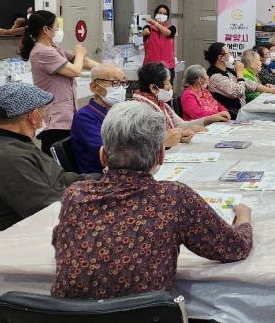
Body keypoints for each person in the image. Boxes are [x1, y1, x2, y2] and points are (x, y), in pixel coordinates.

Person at [51, 102, 253, 299]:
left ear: (103, 156)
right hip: (145, 314)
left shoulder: (75, 195)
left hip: (70, 313)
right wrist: (244, 219)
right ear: (161, 156)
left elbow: (60, 241)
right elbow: (234, 248)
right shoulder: (173, 196)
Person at [0, 83, 94, 231]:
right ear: (33, 116)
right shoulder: (8, 159)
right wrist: (94, 202)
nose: (46, 114)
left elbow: (59, 178)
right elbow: (46, 209)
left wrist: (102, 180)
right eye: (43, 110)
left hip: (55, 214)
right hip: (28, 234)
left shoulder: (17, 144)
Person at [20, 9, 99, 154]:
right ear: (46, 30)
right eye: (56, 27)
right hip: (55, 120)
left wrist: (104, 69)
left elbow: (78, 61)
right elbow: (75, 70)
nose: (58, 31)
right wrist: (80, 52)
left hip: (66, 116)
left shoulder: (54, 49)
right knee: (56, 157)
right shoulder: (42, 52)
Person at [132, 63, 225, 146]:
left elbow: (179, 124)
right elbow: (151, 141)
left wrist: (208, 120)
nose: (170, 86)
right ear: (153, 88)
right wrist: (180, 134)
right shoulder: (140, 109)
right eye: (167, 83)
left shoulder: (161, 104)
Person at [70, 64, 130, 174]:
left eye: (123, 83)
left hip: (125, 170)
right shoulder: (84, 117)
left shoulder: (119, 112)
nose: (121, 89)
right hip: (100, 177)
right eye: (115, 83)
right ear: (94, 87)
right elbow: (110, 153)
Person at [203, 43, 275, 118]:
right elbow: (238, 92)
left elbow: (248, 83)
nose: (231, 56)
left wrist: (269, 90)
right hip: (230, 115)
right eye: (229, 53)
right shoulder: (215, 77)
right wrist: (239, 73)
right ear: (221, 57)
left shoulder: (228, 71)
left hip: (241, 112)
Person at [142, 4, 177, 82]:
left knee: (167, 88)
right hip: (151, 67)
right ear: (155, 14)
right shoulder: (149, 28)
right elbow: (145, 32)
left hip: (168, 67)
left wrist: (154, 23)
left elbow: (168, 33)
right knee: (151, 88)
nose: (162, 15)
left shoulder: (171, 28)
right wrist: (145, 30)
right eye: (160, 13)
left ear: (167, 17)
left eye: (164, 14)